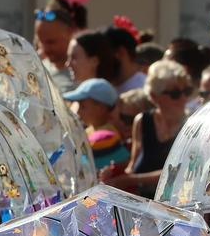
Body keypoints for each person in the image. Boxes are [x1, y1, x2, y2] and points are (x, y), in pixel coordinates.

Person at [111, 59, 194, 197]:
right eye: (175, 93)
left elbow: (182, 170)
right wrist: (114, 172)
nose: (183, 98)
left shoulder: (192, 124)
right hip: (143, 203)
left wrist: (130, 180)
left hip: (177, 203)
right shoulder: (142, 121)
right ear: (155, 96)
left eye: (187, 91)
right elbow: (133, 165)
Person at [35, 0, 90, 90]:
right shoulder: (39, 70)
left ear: (71, 32)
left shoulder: (83, 75)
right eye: (40, 41)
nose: (45, 48)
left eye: (51, 42)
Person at [62, 78, 126, 174]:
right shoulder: (89, 131)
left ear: (100, 108)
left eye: (82, 106)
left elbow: (87, 171)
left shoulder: (104, 138)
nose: (78, 111)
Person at [105, 24, 147, 93]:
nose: (96, 62)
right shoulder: (102, 92)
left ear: (121, 52)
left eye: (104, 55)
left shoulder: (146, 90)